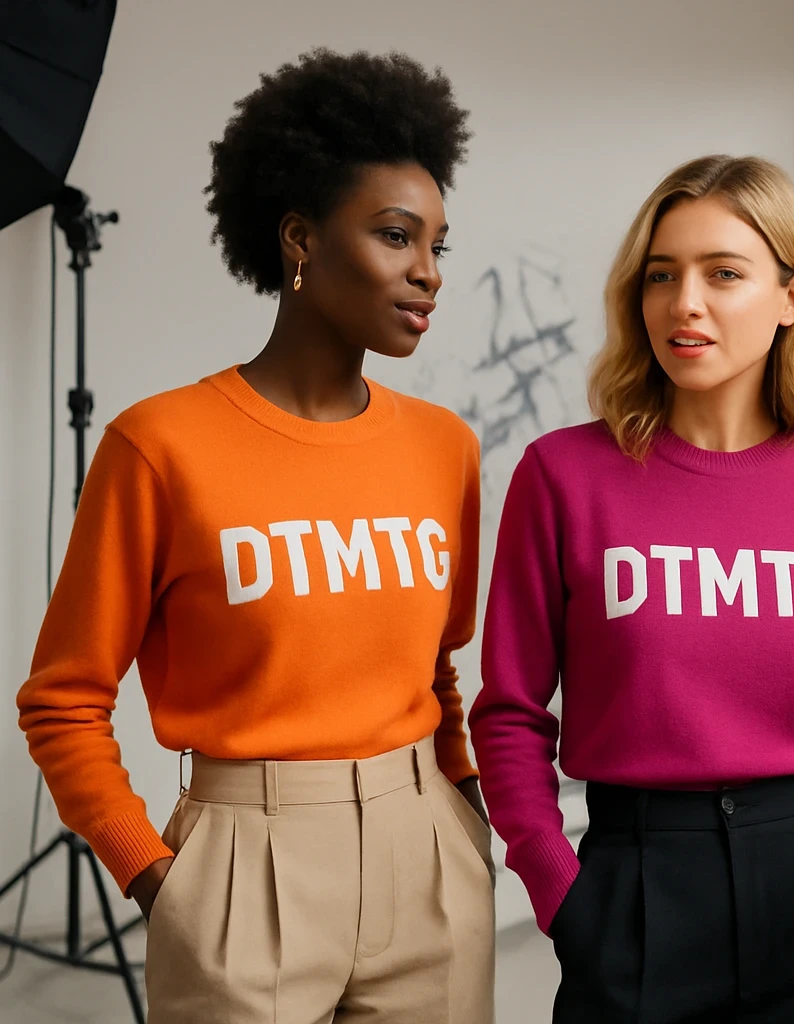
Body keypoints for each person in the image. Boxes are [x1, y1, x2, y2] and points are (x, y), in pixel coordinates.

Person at [16, 49, 493, 1022]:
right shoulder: (160, 446)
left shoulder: (446, 448)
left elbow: (438, 666)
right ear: (299, 239)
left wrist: (465, 808)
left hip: (426, 852)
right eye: (398, 237)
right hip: (243, 863)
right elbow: (62, 698)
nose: (428, 273)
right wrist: (157, 878)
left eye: (439, 243)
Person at [469, 154, 794, 1022]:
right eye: (662, 276)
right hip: (637, 882)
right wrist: (557, 884)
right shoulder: (563, 475)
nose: (685, 303)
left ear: (792, 298)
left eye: (724, 274)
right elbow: (512, 711)